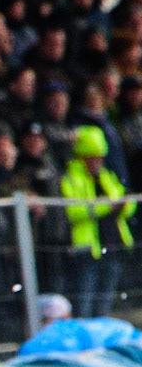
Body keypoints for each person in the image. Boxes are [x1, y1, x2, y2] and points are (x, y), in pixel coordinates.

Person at [61, 124, 134, 319]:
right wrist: (107, 207)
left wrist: (123, 205)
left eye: (100, 157)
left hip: (112, 245)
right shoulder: (72, 178)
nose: (97, 162)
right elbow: (73, 211)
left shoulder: (107, 177)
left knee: (105, 301)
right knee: (84, 301)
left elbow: (128, 204)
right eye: (93, 157)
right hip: (87, 249)